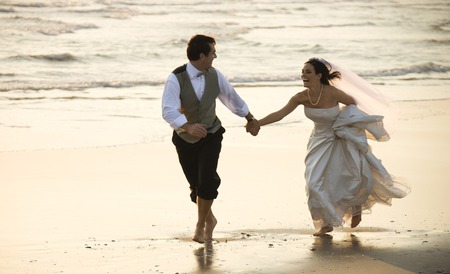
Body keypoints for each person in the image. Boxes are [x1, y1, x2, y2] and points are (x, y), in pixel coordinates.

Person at [253, 58, 409, 236]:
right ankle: (325, 222)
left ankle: (355, 207)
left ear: (319, 75)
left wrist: (343, 124)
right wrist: (257, 123)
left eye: (308, 72)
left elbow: (352, 104)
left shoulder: (333, 93)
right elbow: (280, 114)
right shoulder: (300, 97)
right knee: (314, 183)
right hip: (318, 141)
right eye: (303, 72)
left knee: (347, 177)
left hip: (339, 138)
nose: (303, 75)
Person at [162, 34, 260, 243]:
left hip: (211, 134)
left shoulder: (215, 75)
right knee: (195, 187)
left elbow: (230, 97)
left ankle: (200, 227)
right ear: (202, 56)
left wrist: (250, 118)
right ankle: (210, 219)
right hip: (184, 138)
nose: (216, 56)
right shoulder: (175, 78)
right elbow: (167, 110)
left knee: (207, 180)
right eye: (213, 52)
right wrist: (188, 126)